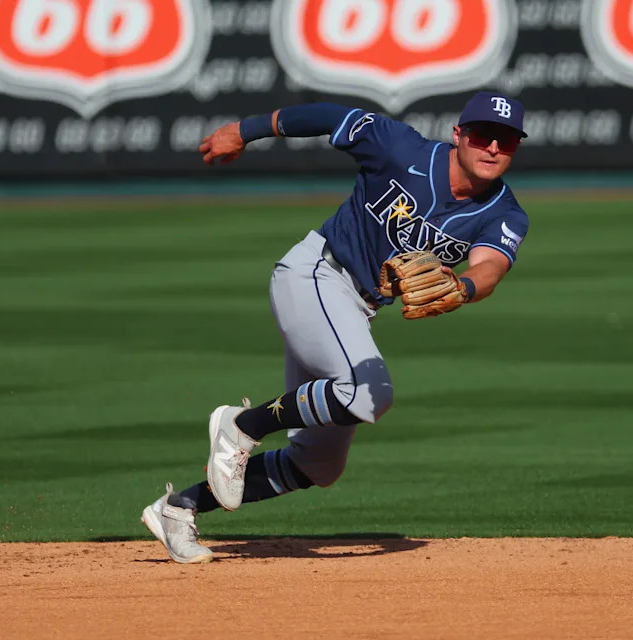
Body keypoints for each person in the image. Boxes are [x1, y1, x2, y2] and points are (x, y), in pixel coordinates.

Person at [141, 92, 530, 563]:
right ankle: (242, 424)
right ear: (458, 135)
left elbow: (489, 267)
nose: (492, 148)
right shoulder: (401, 148)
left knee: (318, 464)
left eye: (505, 140)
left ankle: (178, 509)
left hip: (353, 309)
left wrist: (464, 288)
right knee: (370, 393)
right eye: (482, 135)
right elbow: (330, 117)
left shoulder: (505, 212)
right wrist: (245, 130)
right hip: (315, 274)